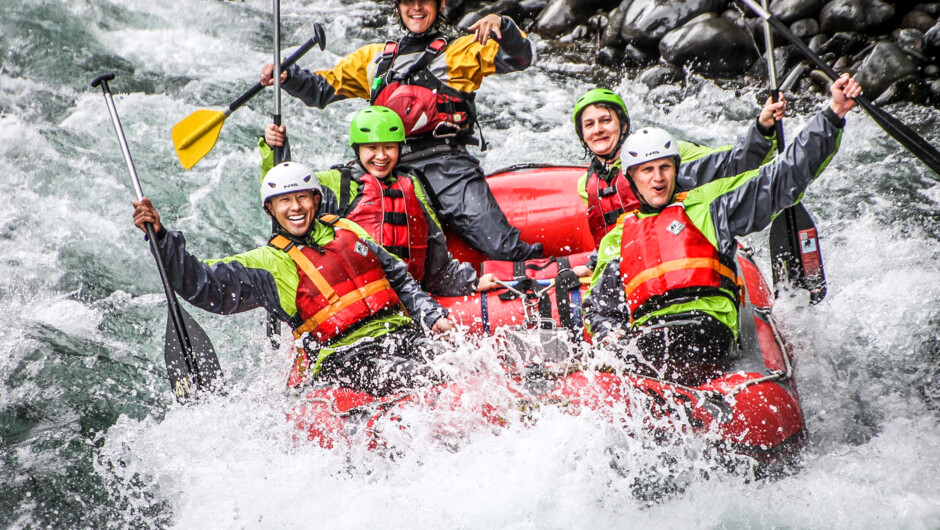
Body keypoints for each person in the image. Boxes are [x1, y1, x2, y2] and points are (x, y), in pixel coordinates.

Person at [582, 75, 861, 379]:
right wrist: (611, 340)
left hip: (708, 333)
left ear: (677, 169)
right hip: (652, 341)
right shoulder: (618, 237)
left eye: (665, 168)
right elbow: (600, 308)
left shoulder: (710, 206)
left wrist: (833, 114)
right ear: (632, 178)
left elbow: (782, 176)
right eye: (647, 171)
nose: (658, 179)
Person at [132, 161, 458, 396]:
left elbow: (397, 277)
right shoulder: (269, 263)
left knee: (458, 363)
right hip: (344, 357)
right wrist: (161, 238)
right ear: (270, 210)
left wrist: (431, 316)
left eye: (302, 197)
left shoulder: (346, 229)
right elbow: (203, 284)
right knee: (425, 376)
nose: (295, 207)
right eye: (284, 201)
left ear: (316, 200)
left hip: (399, 334)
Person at [260, 0, 541, 261]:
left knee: (501, 246)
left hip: (447, 167)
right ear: (398, 6)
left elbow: (519, 59)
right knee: (329, 218)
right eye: (408, 1)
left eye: (424, 1)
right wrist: (288, 75)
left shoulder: (463, 51)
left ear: (439, 4)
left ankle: (544, 275)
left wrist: (503, 25)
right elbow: (321, 91)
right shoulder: (375, 58)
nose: (416, 8)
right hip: (385, 166)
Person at [262, 105, 499, 296]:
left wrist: (471, 282)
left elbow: (435, 258)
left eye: (389, 147)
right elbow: (285, 197)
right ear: (357, 148)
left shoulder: (411, 184)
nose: (381, 156)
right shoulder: (336, 184)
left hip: (407, 297)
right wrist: (274, 150)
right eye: (372, 148)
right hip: (353, 299)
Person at [570, 88, 786, 277]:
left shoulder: (667, 154)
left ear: (623, 125)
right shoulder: (586, 184)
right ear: (582, 134)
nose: (597, 129)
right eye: (589, 124)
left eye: (605, 120)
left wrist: (763, 128)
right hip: (623, 269)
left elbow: (731, 164)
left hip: (675, 256)